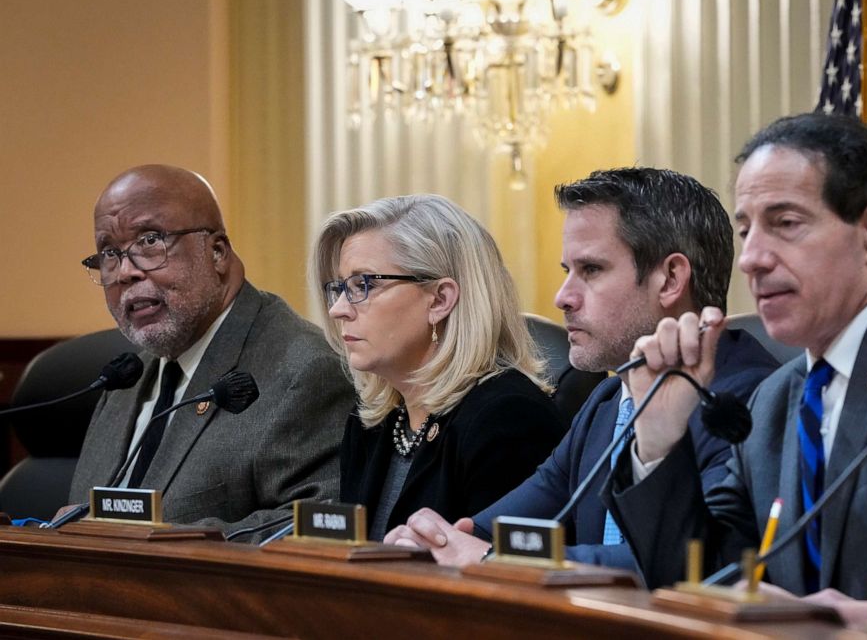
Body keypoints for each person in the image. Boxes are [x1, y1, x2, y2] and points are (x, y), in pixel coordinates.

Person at [609, 112, 867, 595]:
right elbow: (702, 582)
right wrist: (660, 440)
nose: (751, 258)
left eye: (785, 223)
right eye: (746, 230)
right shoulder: (773, 402)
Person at [382, 168, 779, 571]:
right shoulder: (606, 403)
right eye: (566, 271)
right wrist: (430, 540)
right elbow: (490, 529)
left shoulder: (751, 402)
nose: (562, 297)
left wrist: (492, 558)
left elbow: (698, 565)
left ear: (670, 279)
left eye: (590, 270)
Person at [67, 165, 352, 539]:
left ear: (217, 252)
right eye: (108, 253)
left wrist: (160, 539)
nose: (125, 273)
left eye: (150, 241)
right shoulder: (125, 379)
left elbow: (316, 529)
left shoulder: (303, 370)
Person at [313, 194, 567, 540]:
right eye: (340, 288)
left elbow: (503, 575)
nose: (338, 309)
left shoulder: (507, 419)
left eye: (363, 285)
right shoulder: (372, 421)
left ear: (440, 300)